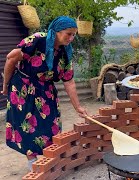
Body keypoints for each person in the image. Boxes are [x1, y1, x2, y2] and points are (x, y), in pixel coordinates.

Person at [1, 16, 88, 170]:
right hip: (23, 89)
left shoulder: (65, 52)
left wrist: (78, 107)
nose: (71, 38)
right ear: (56, 31)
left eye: (74, 34)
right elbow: (11, 58)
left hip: (46, 91)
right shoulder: (37, 40)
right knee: (26, 125)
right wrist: (6, 85)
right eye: (68, 33)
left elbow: (69, 81)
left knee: (51, 125)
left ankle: (50, 159)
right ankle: (32, 163)